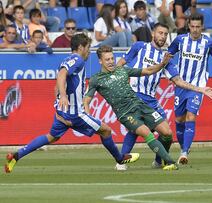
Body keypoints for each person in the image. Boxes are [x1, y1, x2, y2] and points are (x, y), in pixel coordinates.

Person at [4, 33, 139, 173]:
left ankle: (17, 155)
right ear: (80, 47)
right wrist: (63, 96)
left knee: (51, 137)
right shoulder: (78, 60)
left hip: (63, 112)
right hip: (75, 113)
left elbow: (58, 82)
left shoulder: (69, 59)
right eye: (88, 47)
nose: (89, 51)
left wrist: (59, 104)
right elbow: (62, 74)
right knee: (106, 130)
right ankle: (120, 159)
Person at [115, 23, 212, 170]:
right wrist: (115, 80)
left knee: (167, 133)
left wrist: (200, 89)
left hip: (150, 100)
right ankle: (121, 161)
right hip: (134, 95)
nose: (162, 37)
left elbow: (178, 81)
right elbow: (121, 63)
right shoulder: (139, 47)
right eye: (160, 33)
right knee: (135, 129)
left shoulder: (167, 59)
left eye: (165, 34)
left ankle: (158, 161)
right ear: (153, 34)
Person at [84, 45, 179, 171]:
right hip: (126, 114)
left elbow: (148, 71)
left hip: (141, 106)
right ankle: (170, 162)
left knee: (167, 133)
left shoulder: (122, 70)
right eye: (107, 59)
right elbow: (86, 101)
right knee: (147, 133)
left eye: (112, 58)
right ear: (100, 61)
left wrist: (162, 64)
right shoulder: (96, 79)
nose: (111, 61)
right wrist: (89, 119)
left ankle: (158, 161)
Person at [167, 13, 212, 164]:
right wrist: (171, 74)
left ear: (202, 27)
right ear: (188, 26)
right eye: (192, 26)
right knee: (179, 119)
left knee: (191, 116)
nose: (195, 30)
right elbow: (168, 56)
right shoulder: (180, 40)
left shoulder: (209, 42)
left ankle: (185, 152)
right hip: (180, 85)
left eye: (198, 27)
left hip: (198, 87)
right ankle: (183, 147)